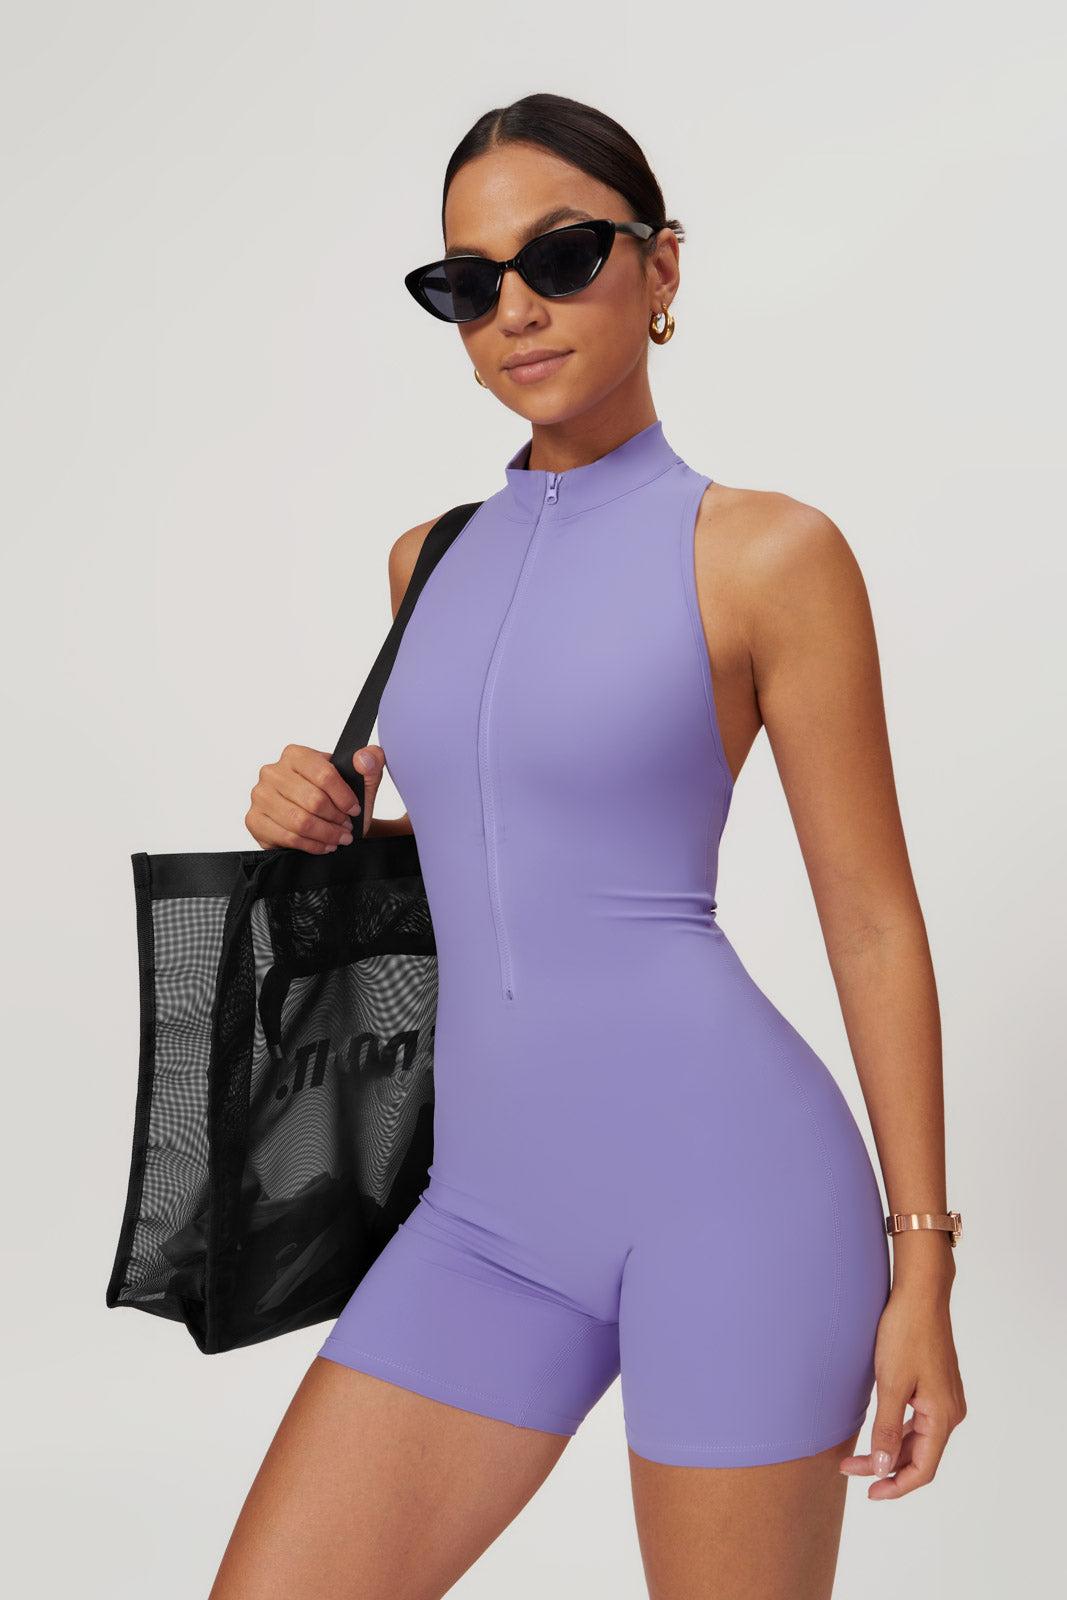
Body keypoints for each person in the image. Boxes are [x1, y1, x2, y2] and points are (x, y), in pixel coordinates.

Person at [211, 92, 966, 1600]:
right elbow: (524, 843)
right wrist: (330, 822)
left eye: (561, 257)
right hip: (487, 1220)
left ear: (661, 266)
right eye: (468, 282)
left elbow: (873, 918)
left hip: (735, 1203)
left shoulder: (768, 553)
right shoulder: (429, 561)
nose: (516, 310)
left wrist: (925, 1264)